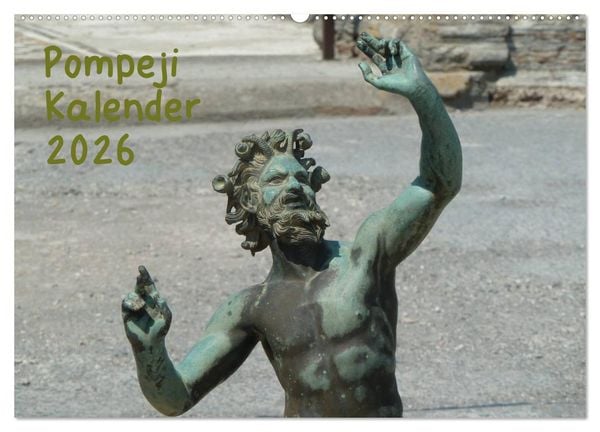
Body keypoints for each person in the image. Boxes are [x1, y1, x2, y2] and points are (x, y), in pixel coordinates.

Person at [121, 32, 462, 417]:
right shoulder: (250, 307)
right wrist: (148, 350)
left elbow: (438, 184)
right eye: (277, 180)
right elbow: (175, 397)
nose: (294, 187)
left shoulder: (365, 258)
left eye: (301, 178)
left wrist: (424, 96)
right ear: (251, 202)